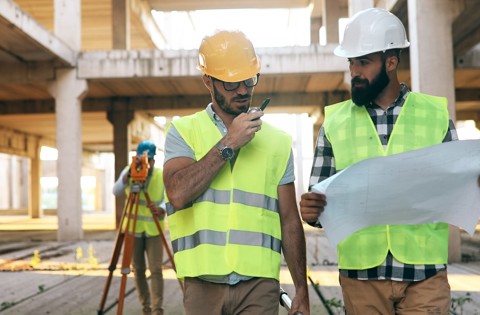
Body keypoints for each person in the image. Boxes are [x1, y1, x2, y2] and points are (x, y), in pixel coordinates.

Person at [300, 8, 458, 314]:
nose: (355, 71)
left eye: (364, 62)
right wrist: (311, 211)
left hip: (424, 273)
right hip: (362, 276)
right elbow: (319, 205)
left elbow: (453, 188)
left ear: (391, 61)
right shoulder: (335, 122)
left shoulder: (435, 115)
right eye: (351, 62)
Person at [163, 30, 309, 315]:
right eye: (231, 84)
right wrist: (229, 142)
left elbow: (290, 219)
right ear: (208, 80)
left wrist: (301, 288)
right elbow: (177, 194)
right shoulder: (183, 132)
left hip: (260, 285)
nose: (242, 90)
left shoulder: (278, 142)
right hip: (202, 283)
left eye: (248, 79)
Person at [112, 140, 166, 315]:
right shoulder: (129, 171)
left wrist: (161, 209)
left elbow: (169, 198)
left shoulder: (161, 175)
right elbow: (116, 190)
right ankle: (146, 308)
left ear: (153, 161)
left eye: (148, 160)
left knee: (156, 270)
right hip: (133, 230)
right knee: (138, 270)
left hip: (154, 229)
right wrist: (128, 176)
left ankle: (157, 310)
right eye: (143, 160)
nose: (146, 164)